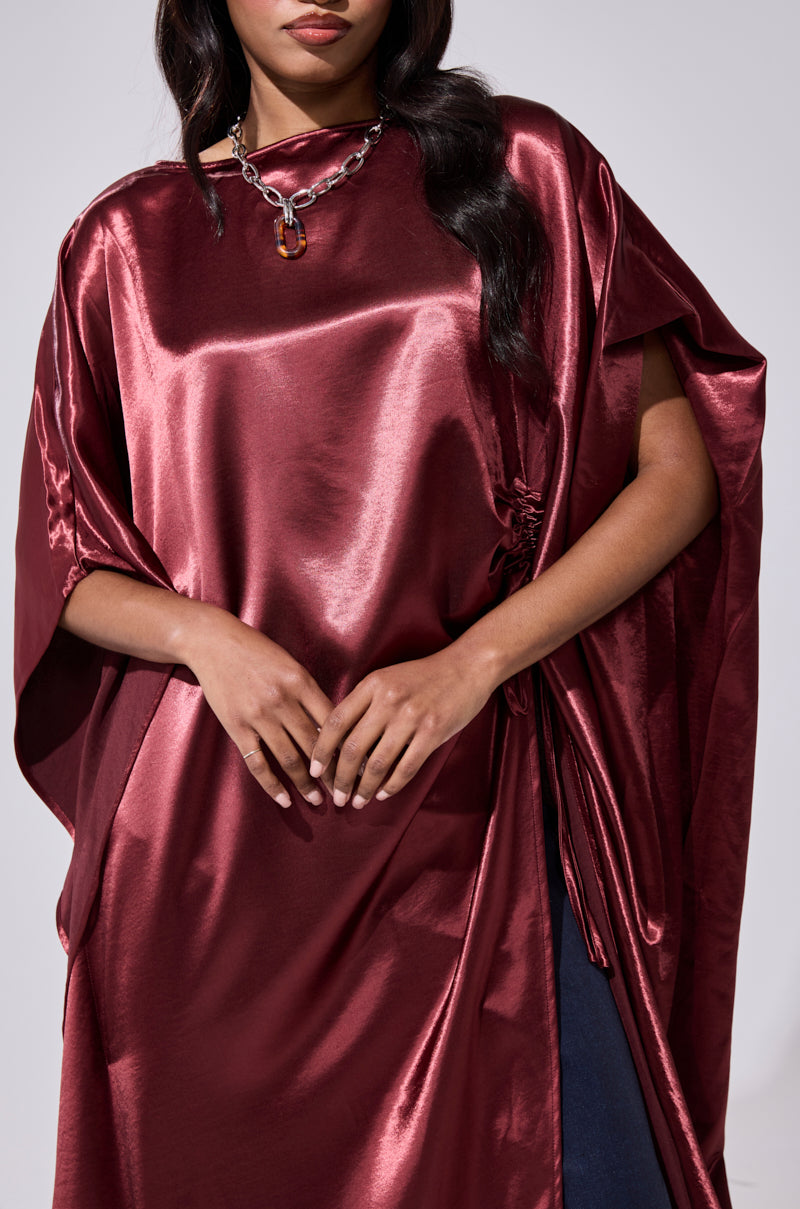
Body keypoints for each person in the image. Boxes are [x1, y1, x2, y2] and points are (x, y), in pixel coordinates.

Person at [12, 1, 765, 1207]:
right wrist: (211, 642)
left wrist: (471, 665)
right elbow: (64, 559)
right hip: (216, 854)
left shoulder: (524, 170)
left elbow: (671, 479)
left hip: (475, 817)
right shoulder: (123, 243)